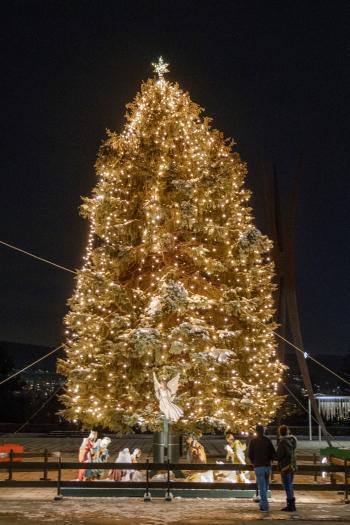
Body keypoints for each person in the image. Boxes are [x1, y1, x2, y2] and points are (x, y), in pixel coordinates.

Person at [248, 424, 276, 513]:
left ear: (256, 431)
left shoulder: (253, 441)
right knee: (266, 486)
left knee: (262, 486)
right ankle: (264, 502)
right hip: (267, 466)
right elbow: (273, 453)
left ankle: (264, 506)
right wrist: (270, 459)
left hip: (258, 466)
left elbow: (250, 454)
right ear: (263, 431)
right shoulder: (267, 440)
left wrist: (253, 462)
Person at [276, 425, 297, 512]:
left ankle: (290, 505)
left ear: (280, 432)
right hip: (292, 466)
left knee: (287, 485)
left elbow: (279, 455)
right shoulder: (292, 441)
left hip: (285, 466)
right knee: (290, 485)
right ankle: (292, 504)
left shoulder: (282, 442)